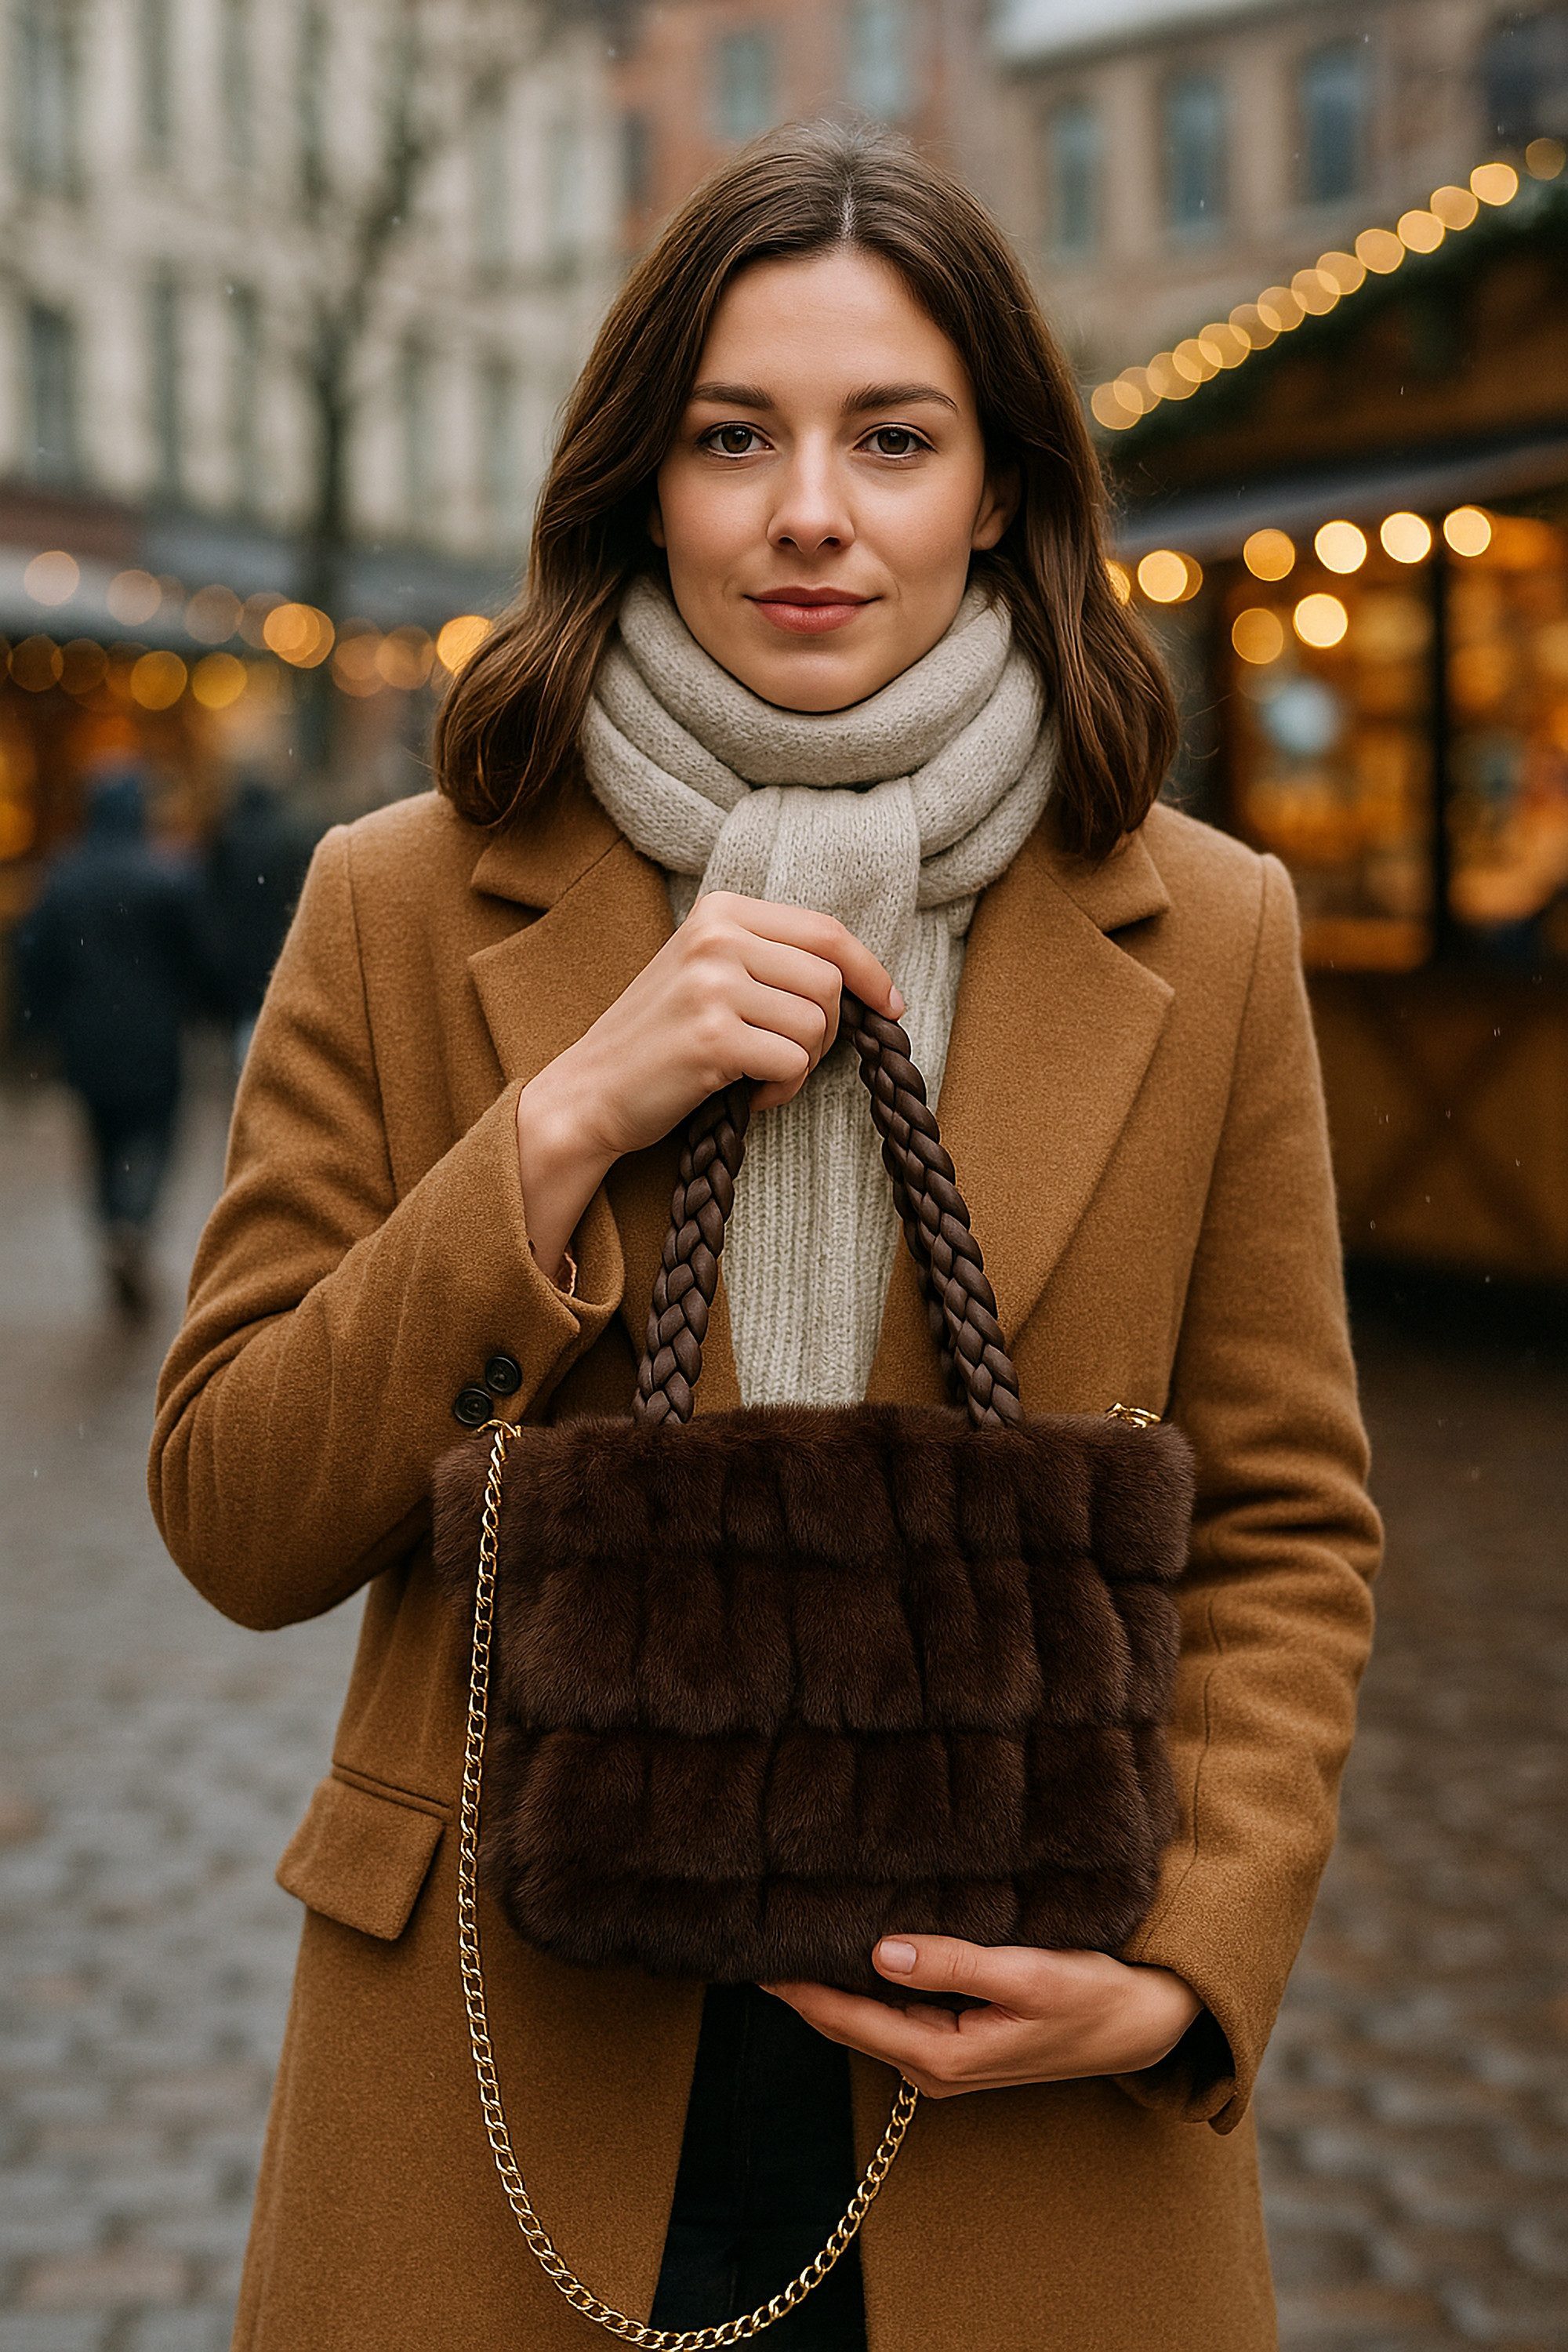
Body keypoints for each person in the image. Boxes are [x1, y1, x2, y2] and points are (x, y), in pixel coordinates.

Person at [150, 122, 1381, 2352]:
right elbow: (235, 1509)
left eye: (890, 438)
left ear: (995, 484)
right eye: (736, 437)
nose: (811, 509)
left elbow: (1287, 1520)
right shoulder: (403, 901)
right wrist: (559, 1128)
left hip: (1018, 2109)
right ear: (645, 477)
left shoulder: (1208, 931)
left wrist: (1178, 1962)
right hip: (498, 2076)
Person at [18, 760, 206, 1319]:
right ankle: (135, 1218)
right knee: (155, 1135)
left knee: (101, 1139)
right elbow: (197, 958)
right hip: (153, 1036)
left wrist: (41, 1025)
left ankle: (112, 1223)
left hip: (88, 1039)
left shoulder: (64, 876)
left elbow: (36, 959)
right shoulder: (167, 876)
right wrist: (206, 1008)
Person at [200, 771, 315, 1071]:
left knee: (249, 1031)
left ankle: (255, 1091)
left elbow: (213, 902)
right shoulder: (289, 840)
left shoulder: (228, 841)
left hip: (243, 957)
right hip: (282, 947)